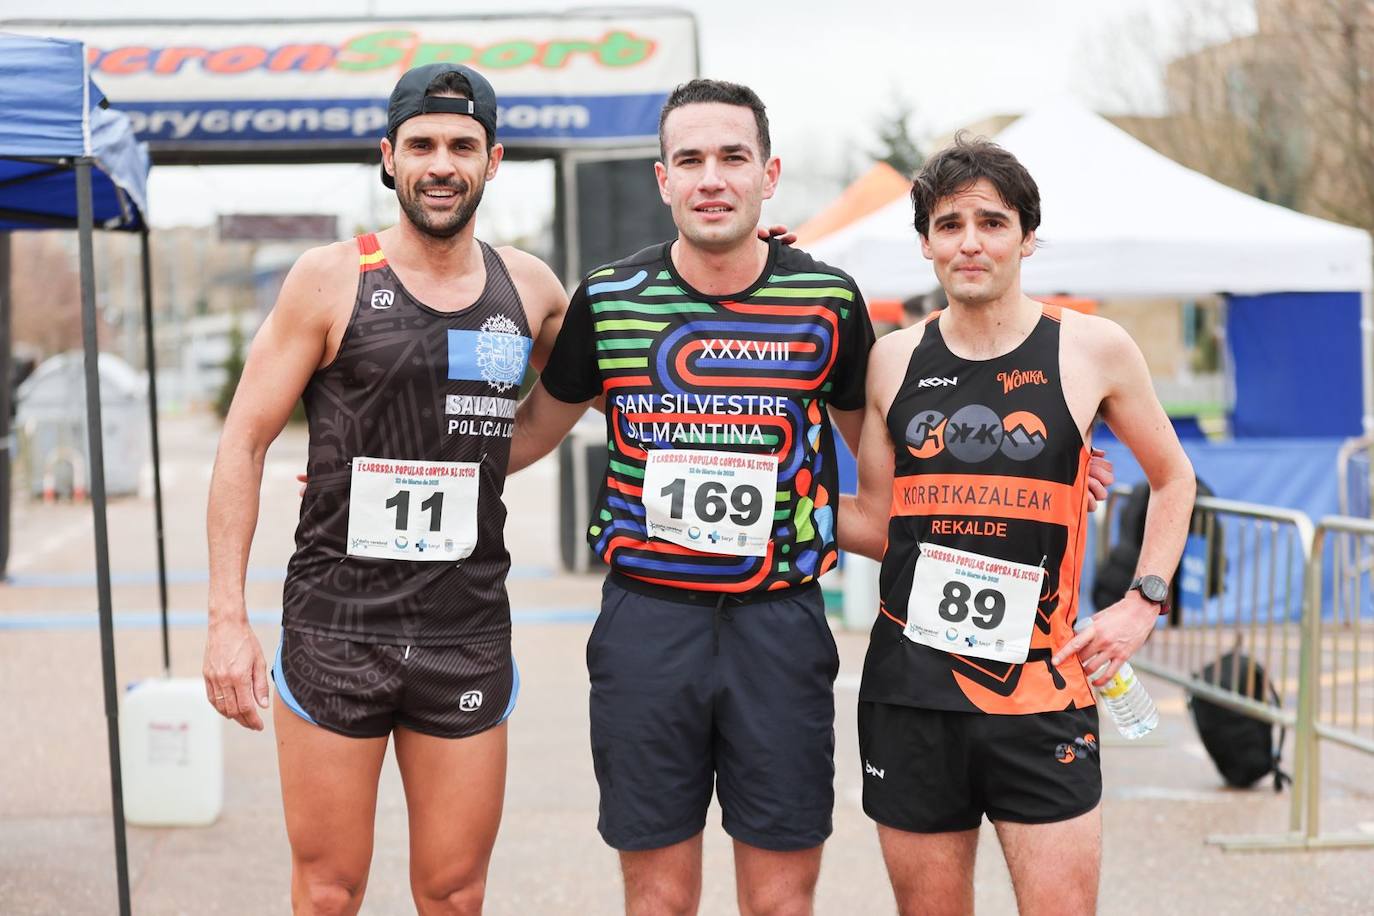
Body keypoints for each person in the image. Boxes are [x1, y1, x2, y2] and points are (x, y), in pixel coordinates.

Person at [201, 63, 570, 915]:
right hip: (338, 627)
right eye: (423, 144)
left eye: (462, 145)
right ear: (389, 157)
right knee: (330, 891)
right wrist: (227, 620)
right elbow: (243, 442)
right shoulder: (330, 278)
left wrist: (485, 456)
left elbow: (590, 376)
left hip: (464, 628)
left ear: (494, 159)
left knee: (454, 892)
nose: (442, 163)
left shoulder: (531, 288)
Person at [508, 78, 874, 916]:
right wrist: (384, 469)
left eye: (732, 157)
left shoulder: (828, 300)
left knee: (781, 901)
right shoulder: (609, 301)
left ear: (769, 174)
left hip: (778, 625)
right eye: (691, 159)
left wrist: (1039, 480)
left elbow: (885, 466)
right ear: (662, 178)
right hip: (649, 624)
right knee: (659, 901)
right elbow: (530, 433)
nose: (712, 177)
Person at [841, 134, 1195, 915]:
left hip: (1042, 693)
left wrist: (1143, 601)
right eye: (950, 224)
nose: (971, 242)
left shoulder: (1093, 349)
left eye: (993, 222)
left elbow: (1175, 479)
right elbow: (874, 522)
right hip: (912, 695)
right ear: (927, 244)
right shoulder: (891, 360)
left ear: (1027, 237)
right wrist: (771, 496)